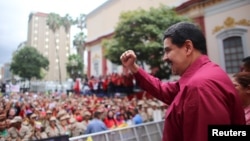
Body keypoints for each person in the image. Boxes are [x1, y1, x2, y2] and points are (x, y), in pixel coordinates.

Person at [120, 21, 245, 141]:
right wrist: (133, 67)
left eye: (168, 50)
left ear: (188, 48)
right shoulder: (202, 78)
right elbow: (165, 90)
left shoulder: (200, 86)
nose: (164, 58)